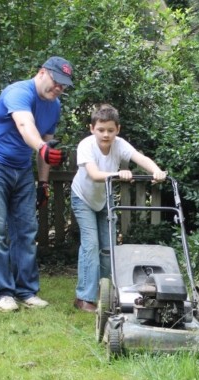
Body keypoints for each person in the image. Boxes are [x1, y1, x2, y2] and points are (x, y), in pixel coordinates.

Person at [0, 56, 73, 312]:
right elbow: (25, 125)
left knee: (26, 230)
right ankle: (2, 294)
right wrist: (41, 147)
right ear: (42, 73)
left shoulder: (55, 106)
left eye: (64, 85)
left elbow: (47, 146)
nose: (58, 88)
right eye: (56, 81)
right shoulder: (18, 92)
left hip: (20, 169)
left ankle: (26, 291)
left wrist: (43, 183)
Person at [71, 104, 167, 312]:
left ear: (118, 129)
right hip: (83, 198)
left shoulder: (120, 144)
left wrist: (157, 171)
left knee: (108, 249)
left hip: (104, 199)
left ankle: (104, 293)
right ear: (92, 128)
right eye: (101, 130)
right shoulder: (86, 146)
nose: (106, 135)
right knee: (90, 245)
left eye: (110, 130)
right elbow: (95, 175)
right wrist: (117, 175)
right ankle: (84, 298)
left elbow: (140, 158)